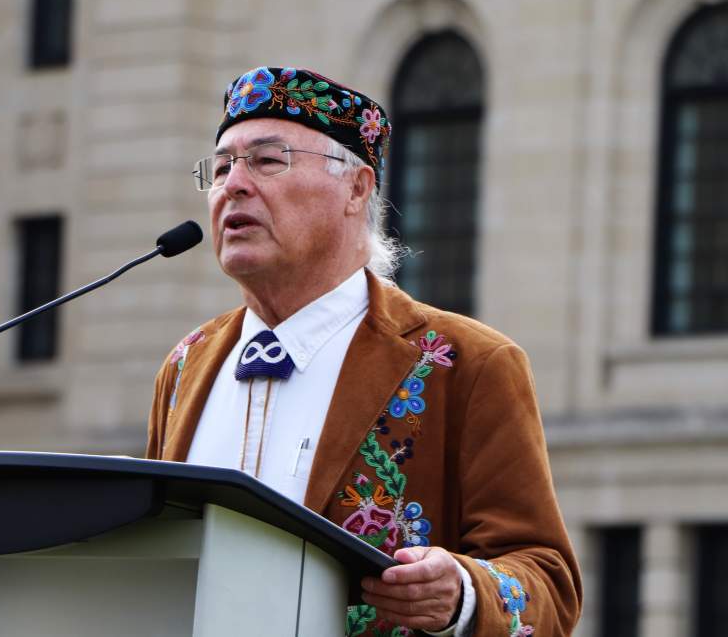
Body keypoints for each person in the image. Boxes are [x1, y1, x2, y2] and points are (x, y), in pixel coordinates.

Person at [146, 67, 580, 636]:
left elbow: (549, 583)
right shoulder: (186, 364)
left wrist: (464, 595)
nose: (234, 185)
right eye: (222, 166)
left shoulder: (467, 364)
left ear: (356, 187)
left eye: (268, 160)